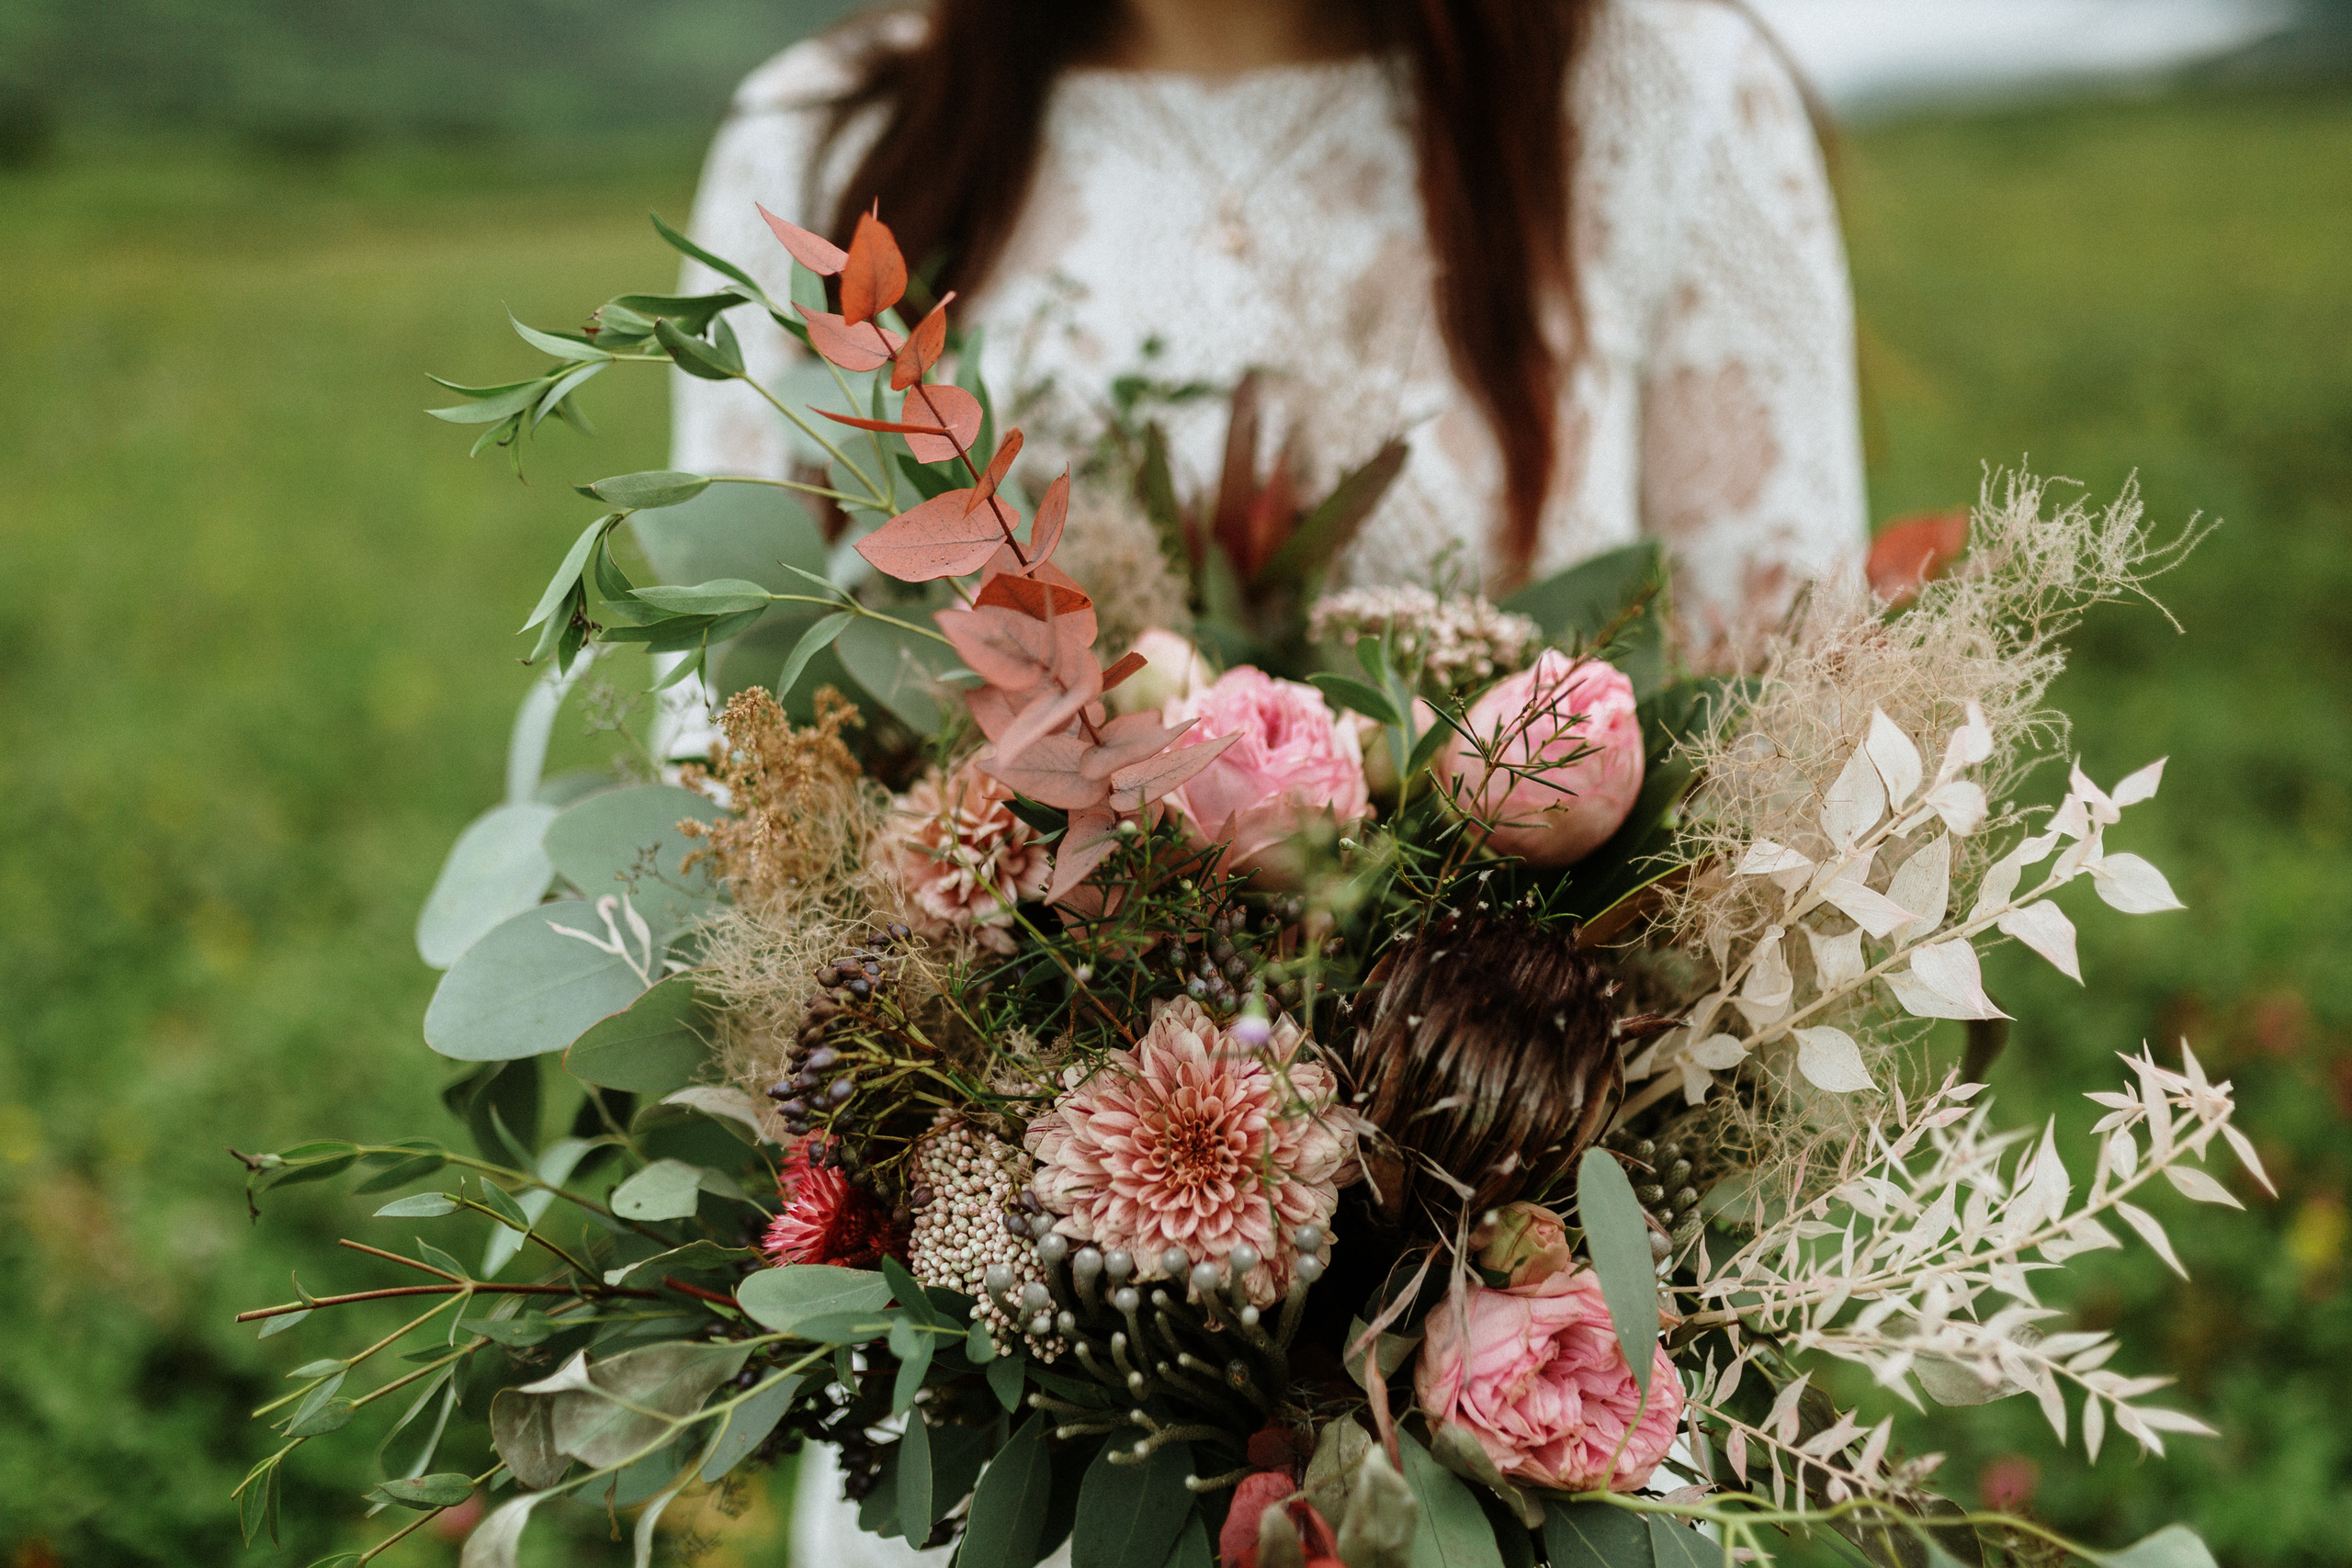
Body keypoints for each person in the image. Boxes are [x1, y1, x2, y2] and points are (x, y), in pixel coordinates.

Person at [668, 0, 1864, 1558]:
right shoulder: (822, 135)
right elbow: (739, 784)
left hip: (1501, 1429)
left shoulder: (1660, 92)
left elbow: (1779, 797)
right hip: (1002, 1456)